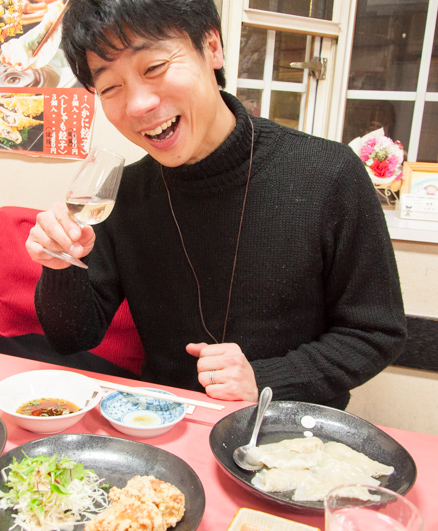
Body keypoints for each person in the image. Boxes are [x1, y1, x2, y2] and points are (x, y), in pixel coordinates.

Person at [23, 0, 407, 409]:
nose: (138, 105)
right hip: (164, 422)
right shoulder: (126, 192)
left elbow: (375, 333)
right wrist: (60, 266)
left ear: (211, 47)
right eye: (111, 88)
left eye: (154, 68)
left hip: (288, 426)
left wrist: (264, 380)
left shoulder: (328, 174)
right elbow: (72, 337)